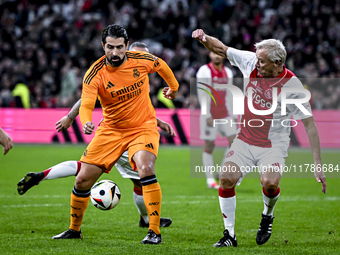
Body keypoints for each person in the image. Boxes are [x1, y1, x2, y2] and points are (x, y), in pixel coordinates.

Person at [192, 29, 326, 247]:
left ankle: (267, 215)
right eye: (257, 60)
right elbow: (221, 49)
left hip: (274, 145)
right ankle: (230, 235)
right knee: (226, 178)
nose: (258, 65)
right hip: (245, 138)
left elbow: (310, 125)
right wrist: (204, 38)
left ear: (278, 62)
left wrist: (317, 164)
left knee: (270, 184)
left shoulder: (292, 86)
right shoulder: (250, 62)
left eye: (262, 62)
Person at [17, 42, 174, 229]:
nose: (146, 61)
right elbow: (87, 97)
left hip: (125, 131)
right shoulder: (111, 72)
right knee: (139, 178)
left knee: (96, 172)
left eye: (147, 57)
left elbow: (137, 109)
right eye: (141, 56)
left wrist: (158, 121)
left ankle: (43, 176)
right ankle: (147, 221)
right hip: (121, 135)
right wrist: (70, 116)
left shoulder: (139, 73)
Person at [52, 25, 178, 244]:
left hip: (143, 127)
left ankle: (154, 231)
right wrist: (87, 120)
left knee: (146, 168)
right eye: (110, 47)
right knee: (82, 180)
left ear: (126, 46)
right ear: (103, 46)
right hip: (111, 130)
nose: (115, 53)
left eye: (119, 47)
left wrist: (174, 87)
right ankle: (74, 229)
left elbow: (161, 65)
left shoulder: (140, 59)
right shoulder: (95, 73)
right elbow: (87, 102)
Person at [196, 51, 236, 189]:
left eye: (219, 53)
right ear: (210, 55)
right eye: (214, 53)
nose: (217, 56)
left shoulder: (228, 73)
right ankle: (210, 180)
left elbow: (229, 94)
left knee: (234, 141)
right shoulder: (204, 71)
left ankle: (222, 171)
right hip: (210, 115)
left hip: (225, 113)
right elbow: (202, 93)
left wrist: (234, 115)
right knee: (209, 146)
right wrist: (207, 115)